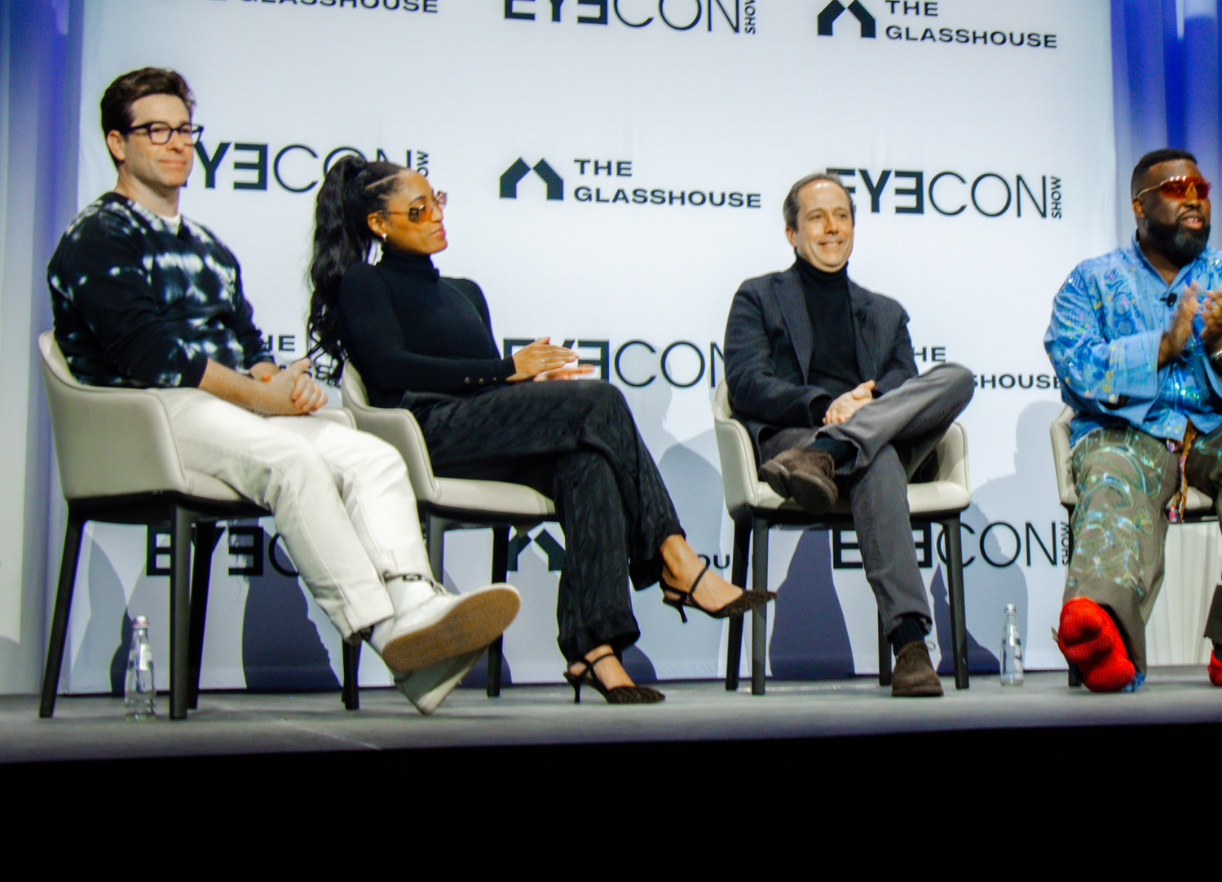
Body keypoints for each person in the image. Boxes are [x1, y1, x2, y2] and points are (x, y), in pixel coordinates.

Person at [47, 68, 519, 714]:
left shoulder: (209, 247)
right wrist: (253, 394)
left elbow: (242, 344)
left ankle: (414, 608)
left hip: (219, 405)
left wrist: (273, 378)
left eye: (184, 128)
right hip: (147, 412)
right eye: (155, 129)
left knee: (370, 454)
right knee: (292, 459)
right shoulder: (98, 234)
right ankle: (386, 633)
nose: (176, 143)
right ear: (116, 142)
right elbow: (148, 353)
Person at [307, 154, 772, 707]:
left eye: (439, 201)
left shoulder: (464, 291)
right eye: (418, 207)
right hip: (424, 434)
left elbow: (484, 391)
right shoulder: (365, 283)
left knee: (589, 464)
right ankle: (677, 561)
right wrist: (508, 370)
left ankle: (594, 651)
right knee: (600, 401)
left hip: (481, 429)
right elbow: (389, 371)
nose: (436, 215)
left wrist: (530, 390)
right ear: (379, 224)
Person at [1045, 147, 1222, 692]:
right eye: (1175, 189)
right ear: (1139, 206)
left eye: (1200, 188)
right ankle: (1103, 632)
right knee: (1111, 468)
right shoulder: (1091, 280)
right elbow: (1073, 366)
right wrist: (1160, 348)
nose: (1193, 198)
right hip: (1131, 433)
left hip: (1220, 430)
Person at [723, 171, 975, 696]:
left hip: (836, 451)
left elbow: (907, 382)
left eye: (841, 216)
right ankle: (909, 642)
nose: (831, 227)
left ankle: (836, 451)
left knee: (957, 378)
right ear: (792, 233)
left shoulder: (885, 312)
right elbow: (746, 384)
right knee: (876, 458)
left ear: (854, 228)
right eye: (816, 217)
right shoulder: (757, 297)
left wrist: (872, 402)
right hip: (795, 441)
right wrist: (824, 404)